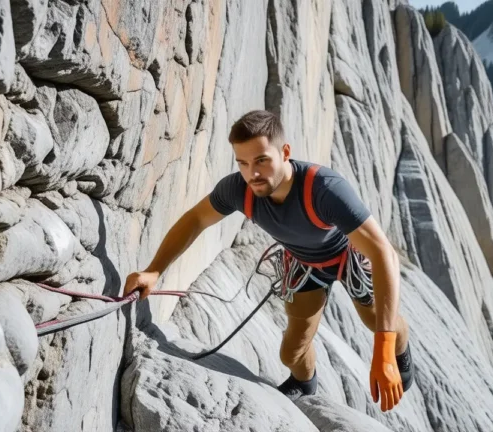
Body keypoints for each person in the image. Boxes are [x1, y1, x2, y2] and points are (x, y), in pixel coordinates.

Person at [123, 109, 413, 411]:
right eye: (243, 163)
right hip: (303, 263)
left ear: (285, 152)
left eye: (261, 160)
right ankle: (304, 382)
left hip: (347, 255)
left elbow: (383, 252)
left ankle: (403, 348)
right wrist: (153, 270)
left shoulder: (324, 189)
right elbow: (197, 218)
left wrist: (384, 349)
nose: (253, 174)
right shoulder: (238, 190)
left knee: (376, 319)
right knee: (291, 353)